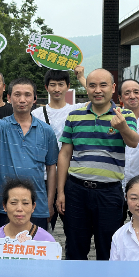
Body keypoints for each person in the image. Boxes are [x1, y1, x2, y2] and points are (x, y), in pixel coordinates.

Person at [56, 68, 139, 261]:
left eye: (103, 85)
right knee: (75, 248)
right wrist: (61, 192)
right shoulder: (75, 115)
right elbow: (65, 154)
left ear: (113, 88)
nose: (98, 90)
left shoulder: (125, 115)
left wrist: (122, 127)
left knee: (108, 249)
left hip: (109, 192)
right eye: (92, 85)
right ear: (87, 88)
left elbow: (133, 142)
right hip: (76, 190)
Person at [0, 78, 60, 231]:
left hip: (37, 205)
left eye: (27, 95)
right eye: (17, 94)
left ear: (34, 99)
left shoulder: (46, 131)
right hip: (5, 204)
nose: (22, 100)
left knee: (35, 245)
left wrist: (49, 202)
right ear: (9, 97)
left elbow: (51, 168)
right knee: (2, 245)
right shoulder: (1, 125)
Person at [31, 65, 85, 231]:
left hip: (70, 177)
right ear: (46, 87)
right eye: (52, 85)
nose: (57, 89)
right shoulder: (36, 114)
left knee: (74, 229)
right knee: (40, 228)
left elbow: (99, 96)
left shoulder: (76, 110)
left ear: (68, 86)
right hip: (43, 177)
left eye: (61, 84)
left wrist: (81, 78)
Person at [0, 178, 57, 258]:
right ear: (4, 206)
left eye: (25, 203)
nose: (19, 208)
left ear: (33, 207)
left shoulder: (47, 241)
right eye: (13, 203)